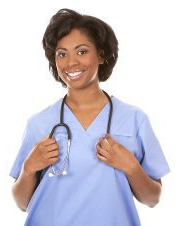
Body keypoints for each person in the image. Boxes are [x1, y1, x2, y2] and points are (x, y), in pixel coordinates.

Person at [10, 8, 170, 226]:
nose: (71, 63)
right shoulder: (39, 123)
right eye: (62, 54)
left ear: (102, 55)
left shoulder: (134, 119)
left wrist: (131, 166)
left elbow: (152, 198)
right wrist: (28, 169)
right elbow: (22, 203)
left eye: (82, 51)